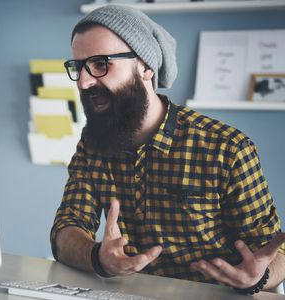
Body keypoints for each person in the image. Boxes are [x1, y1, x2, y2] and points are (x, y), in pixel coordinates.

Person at [50, 5, 285, 295]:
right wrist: (98, 257)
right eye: (78, 67)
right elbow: (67, 228)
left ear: (146, 66)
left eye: (100, 64)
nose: (84, 82)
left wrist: (258, 277)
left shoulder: (227, 148)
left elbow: (275, 252)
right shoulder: (93, 142)